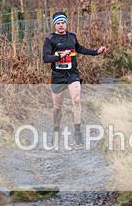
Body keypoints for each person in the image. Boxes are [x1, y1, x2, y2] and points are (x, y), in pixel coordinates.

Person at [42, 11, 106, 148]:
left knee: (76, 99)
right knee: (57, 107)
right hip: (58, 76)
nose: (61, 25)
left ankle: (78, 133)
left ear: (66, 23)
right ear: (55, 25)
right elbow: (45, 58)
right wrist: (59, 57)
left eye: (63, 23)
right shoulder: (50, 39)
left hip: (72, 74)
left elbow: (79, 48)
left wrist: (96, 52)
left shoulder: (72, 37)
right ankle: (56, 130)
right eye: (58, 23)